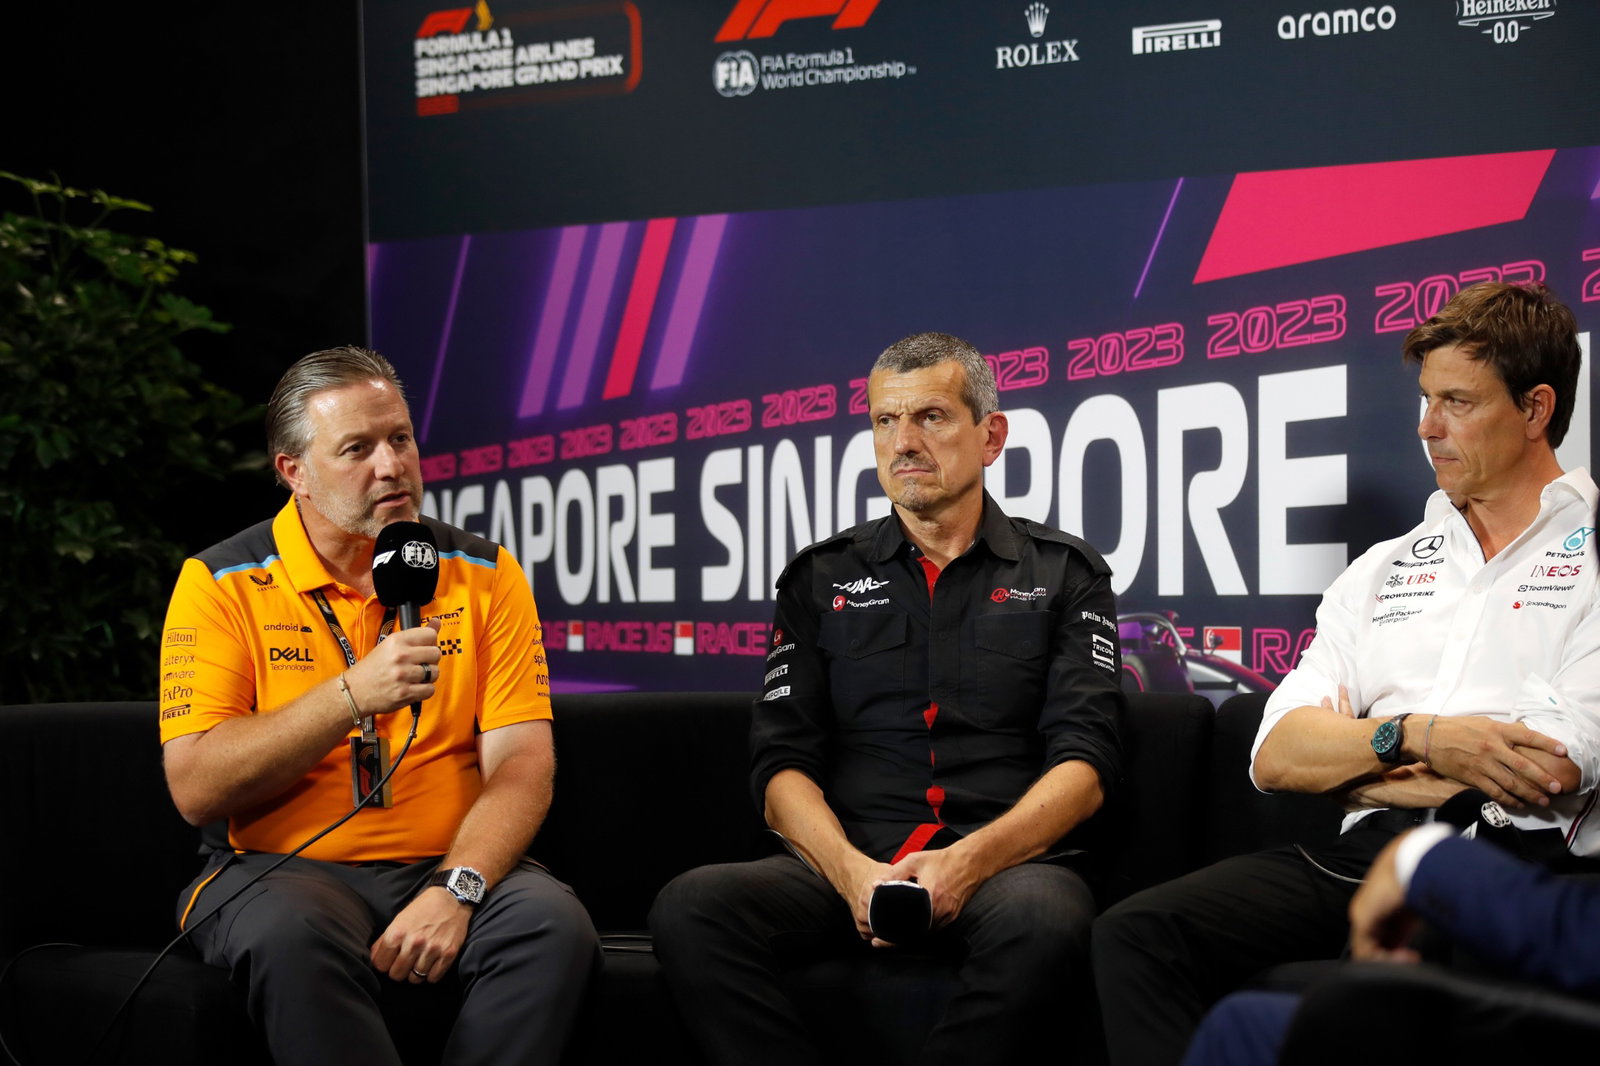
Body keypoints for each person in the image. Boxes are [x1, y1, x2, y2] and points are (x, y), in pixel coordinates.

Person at [1092, 281, 1600, 1066]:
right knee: (1135, 933)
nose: (1426, 426)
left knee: (1378, 990)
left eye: (1457, 402)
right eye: (1426, 399)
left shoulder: (1593, 554)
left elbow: (1545, 770)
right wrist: (1417, 738)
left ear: (1535, 409)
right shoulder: (1382, 569)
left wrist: (1356, 770)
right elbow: (1277, 753)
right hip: (1360, 857)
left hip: (1516, 865)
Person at [648, 331, 1124, 1065]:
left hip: (1004, 865)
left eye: (931, 417)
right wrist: (851, 875)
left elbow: (1086, 766)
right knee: (691, 908)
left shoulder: (1066, 574)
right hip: (848, 862)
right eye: (884, 420)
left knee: (1047, 917)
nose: (904, 442)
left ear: (991, 436)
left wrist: (967, 864)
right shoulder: (819, 578)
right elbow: (780, 767)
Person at [158, 346, 598, 1065]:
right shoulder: (220, 582)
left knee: (552, 925)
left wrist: (457, 888)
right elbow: (196, 786)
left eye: (400, 438)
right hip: (279, 868)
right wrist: (350, 696)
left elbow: (522, 763)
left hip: (447, 857)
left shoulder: (485, 573)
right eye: (356, 449)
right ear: (294, 472)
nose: (391, 466)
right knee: (289, 934)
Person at [1181, 822, 1600, 1065]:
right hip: (1359, 845)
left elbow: (1557, 771)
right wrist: (1413, 738)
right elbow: (1273, 759)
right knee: (1241, 1019)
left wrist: (1418, 855)